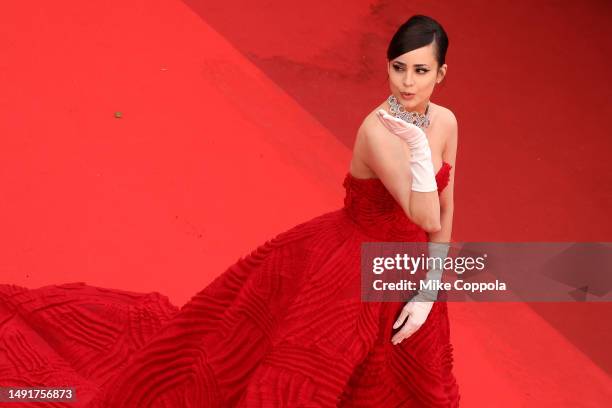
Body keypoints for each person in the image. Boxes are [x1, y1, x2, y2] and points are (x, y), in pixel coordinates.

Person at [0, 14, 460, 408]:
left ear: (440, 74)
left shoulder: (446, 122)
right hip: (343, 275)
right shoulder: (378, 132)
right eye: (398, 68)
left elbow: (445, 203)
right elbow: (422, 214)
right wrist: (419, 147)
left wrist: (428, 289)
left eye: (421, 71)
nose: (407, 82)